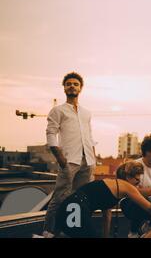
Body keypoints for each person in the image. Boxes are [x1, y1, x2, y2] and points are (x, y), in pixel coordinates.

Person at [42, 72, 97, 237]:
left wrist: (93, 157)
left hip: (87, 161)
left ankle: (74, 231)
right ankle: (48, 232)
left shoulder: (87, 113)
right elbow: (51, 133)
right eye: (68, 84)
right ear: (64, 88)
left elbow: (89, 135)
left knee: (81, 199)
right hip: (69, 161)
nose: (72, 86)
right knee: (59, 198)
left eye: (75, 84)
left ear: (81, 88)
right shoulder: (58, 110)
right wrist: (59, 157)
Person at [55, 161, 151, 238]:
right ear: (128, 176)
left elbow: (107, 215)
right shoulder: (127, 186)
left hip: (69, 206)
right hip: (77, 209)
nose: (138, 184)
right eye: (137, 180)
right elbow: (150, 208)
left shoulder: (110, 184)